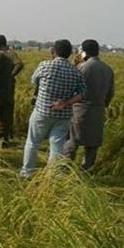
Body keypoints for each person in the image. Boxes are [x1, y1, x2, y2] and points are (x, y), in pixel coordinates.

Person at [20, 39, 86, 178]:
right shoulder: (76, 72)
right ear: (70, 53)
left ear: (53, 52)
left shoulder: (45, 66)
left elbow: (34, 81)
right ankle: (52, 177)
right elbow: (82, 94)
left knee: (33, 142)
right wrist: (65, 103)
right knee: (57, 146)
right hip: (63, 115)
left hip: (42, 111)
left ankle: (27, 173)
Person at [64, 39, 115, 170]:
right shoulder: (108, 69)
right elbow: (111, 92)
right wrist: (103, 105)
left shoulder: (82, 67)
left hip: (81, 109)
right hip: (98, 110)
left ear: (84, 52)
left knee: (73, 140)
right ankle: (86, 169)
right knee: (93, 143)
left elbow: (72, 88)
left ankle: (65, 167)